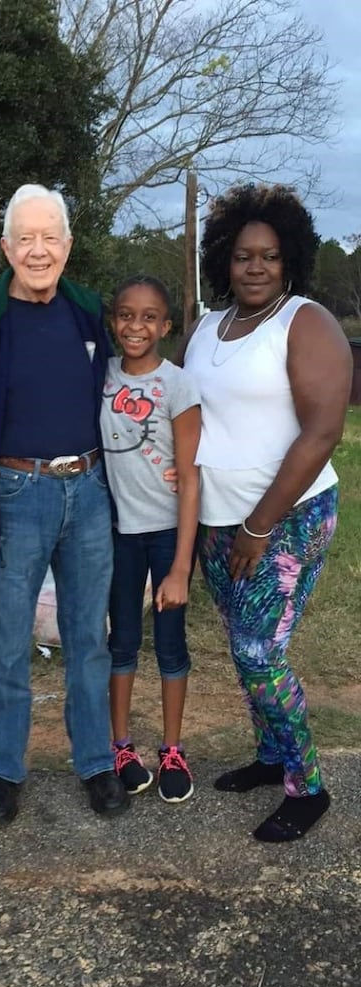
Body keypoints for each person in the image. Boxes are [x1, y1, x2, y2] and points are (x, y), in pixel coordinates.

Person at [0, 184, 129, 825]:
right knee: (8, 640)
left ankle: (97, 764)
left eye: (51, 238)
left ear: (69, 247)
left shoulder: (87, 310)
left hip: (89, 490)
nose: (39, 250)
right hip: (13, 493)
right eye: (26, 238)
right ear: (6, 247)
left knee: (87, 638)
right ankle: (4, 771)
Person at [176, 183, 352, 842]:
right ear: (224, 258)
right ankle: (271, 755)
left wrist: (259, 525)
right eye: (244, 255)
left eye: (270, 256)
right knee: (243, 645)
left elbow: (321, 431)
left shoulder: (305, 322)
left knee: (258, 653)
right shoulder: (205, 328)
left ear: (290, 261)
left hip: (287, 518)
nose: (255, 267)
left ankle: (307, 786)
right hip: (218, 523)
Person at [100, 275, 201, 802]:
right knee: (121, 644)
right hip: (116, 535)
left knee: (169, 646)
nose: (134, 326)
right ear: (113, 319)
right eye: (125, 314)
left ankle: (172, 749)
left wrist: (182, 565)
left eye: (148, 317)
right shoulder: (102, 373)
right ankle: (120, 746)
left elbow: (189, 478)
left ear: (165, 325)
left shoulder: (178, 385)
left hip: (165, 537)